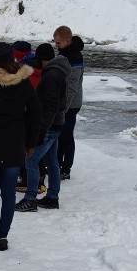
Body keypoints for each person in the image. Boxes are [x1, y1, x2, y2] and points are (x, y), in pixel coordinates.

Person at [0, 42, 41, 251]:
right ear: (12, 57)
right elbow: (36, 111)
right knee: (9, 192)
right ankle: (3, 237)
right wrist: (31, 142)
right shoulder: (22, 81)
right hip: (14, 142)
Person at [16, 43, 71, 212]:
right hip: (56, 123)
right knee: (51, 160)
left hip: (49, 126)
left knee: (31, 160)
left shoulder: (52, 76)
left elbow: (51, 107)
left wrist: (41, 129)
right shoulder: (57, 72)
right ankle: (52, 197)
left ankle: (30, 199)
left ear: (41, 59)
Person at [53, 27, 84, 179]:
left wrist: (65, 106)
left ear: (68, 40)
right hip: (63, 102)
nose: (56, 45)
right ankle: (57, 163)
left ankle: (66, 168)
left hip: (71, 104)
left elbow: (73, 84)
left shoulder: (75, 57)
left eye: (58, 43)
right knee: (59, 134)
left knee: (66, 135)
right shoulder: (64, 53)